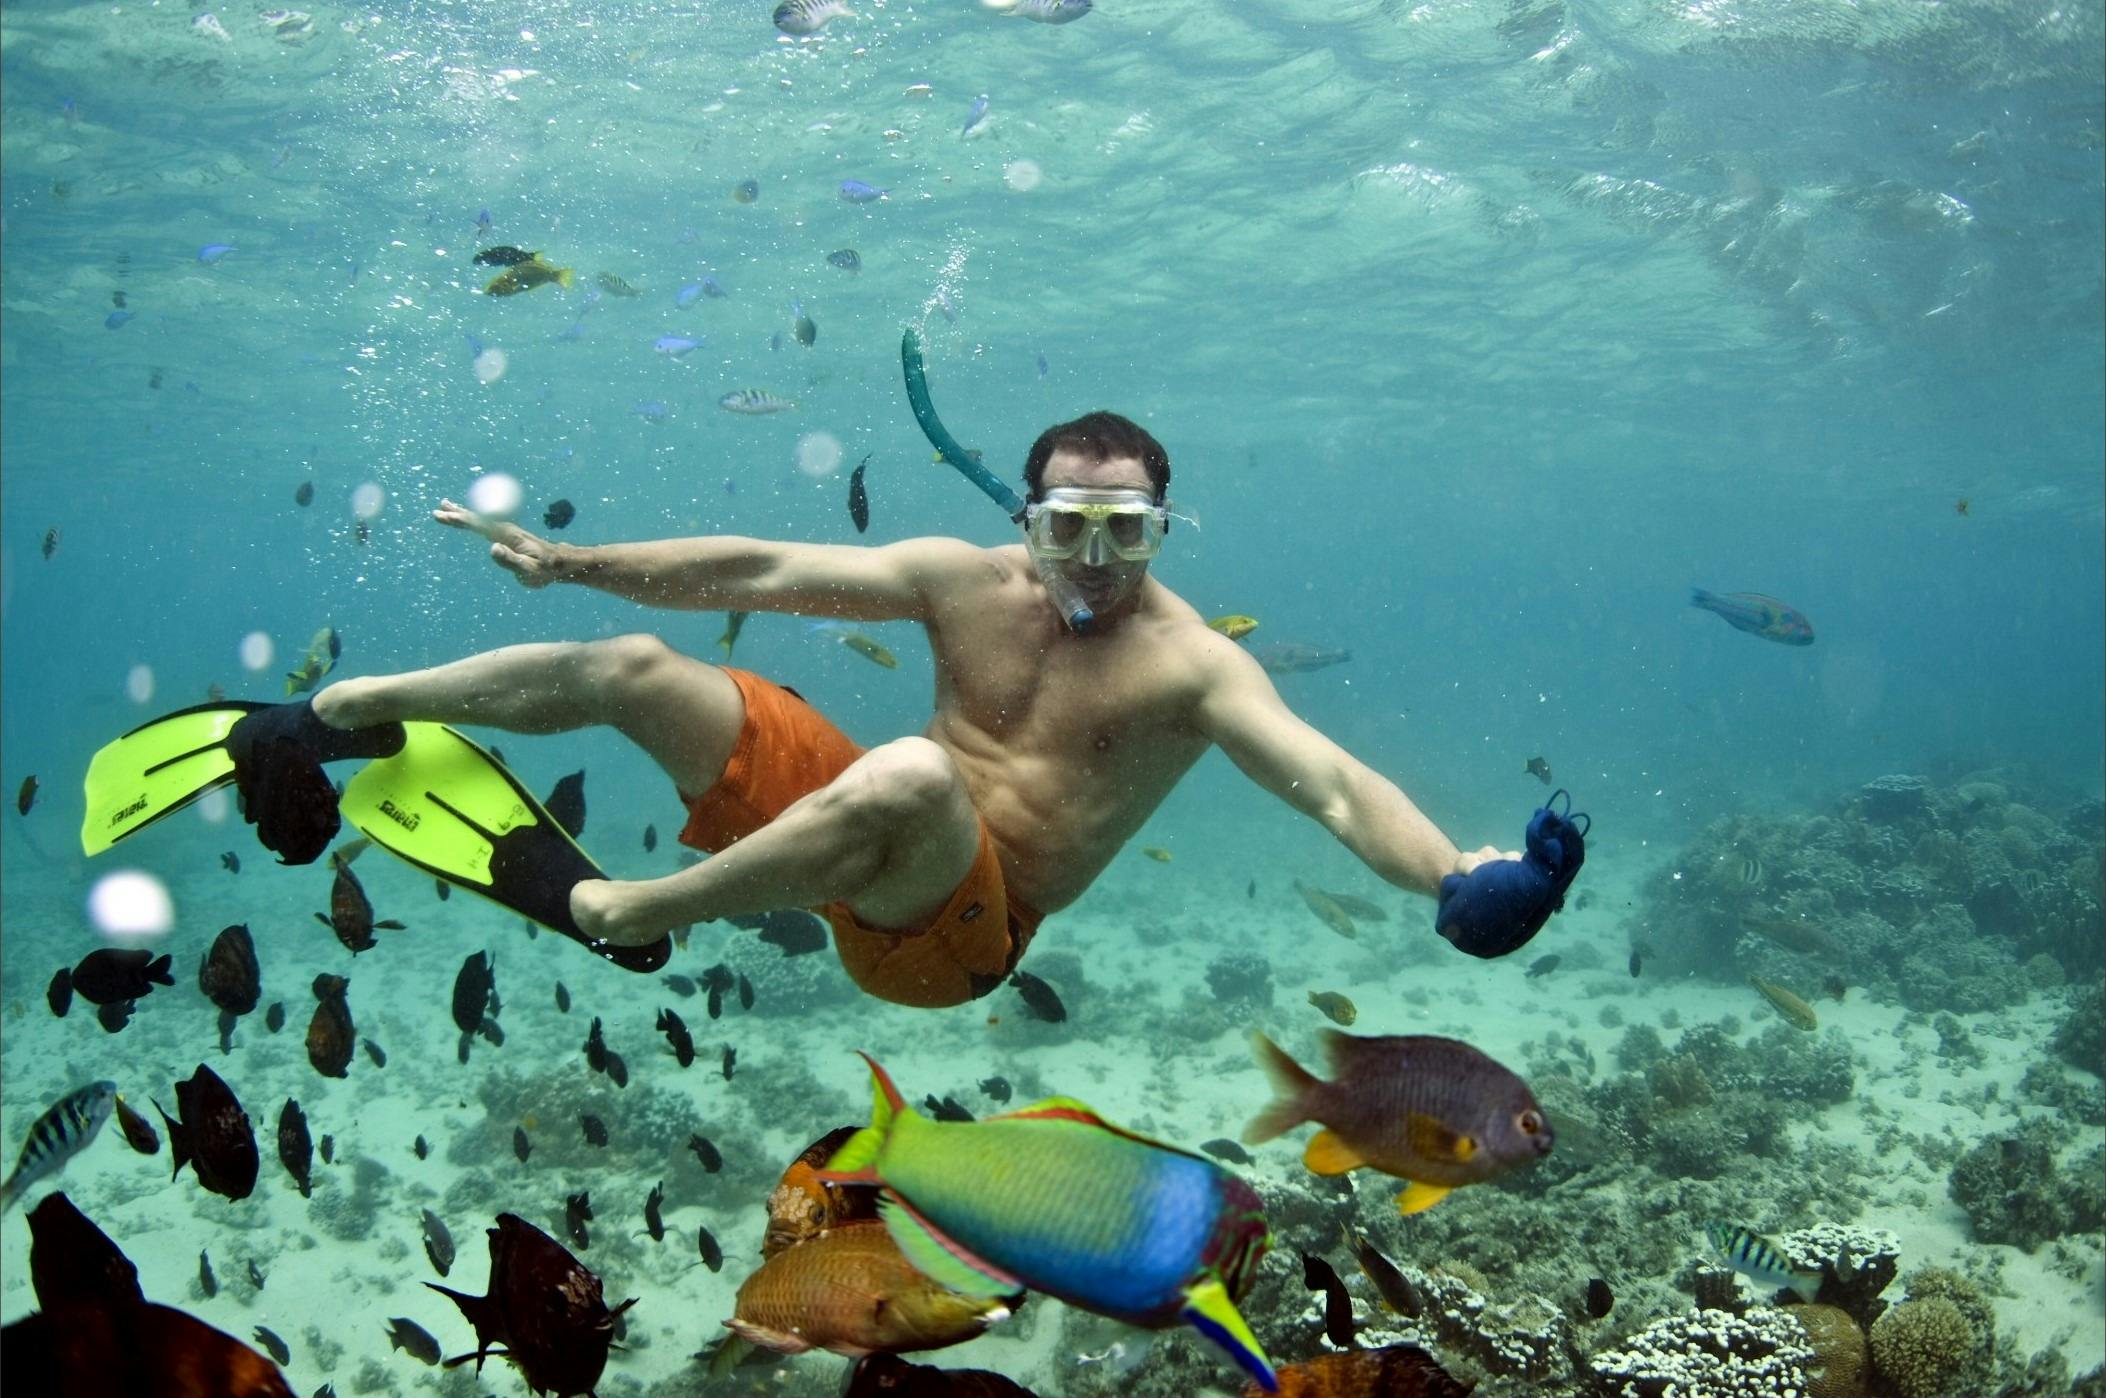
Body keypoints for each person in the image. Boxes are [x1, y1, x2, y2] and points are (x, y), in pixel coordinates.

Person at [84, 412, 1579, 1008]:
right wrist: (572, 560)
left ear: (1164, 530)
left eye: (1127, 530)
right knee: (633, 669)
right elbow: (760, 568)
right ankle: (348, 708)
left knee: (914, 777)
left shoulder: (1194, 667)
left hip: (957, 939)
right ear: (1023, 518)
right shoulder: (959, 580)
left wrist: (1455, 872)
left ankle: (620, 910)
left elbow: (1330, 781)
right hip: (862, 822)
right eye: (1067, 524)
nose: (1092, 558)